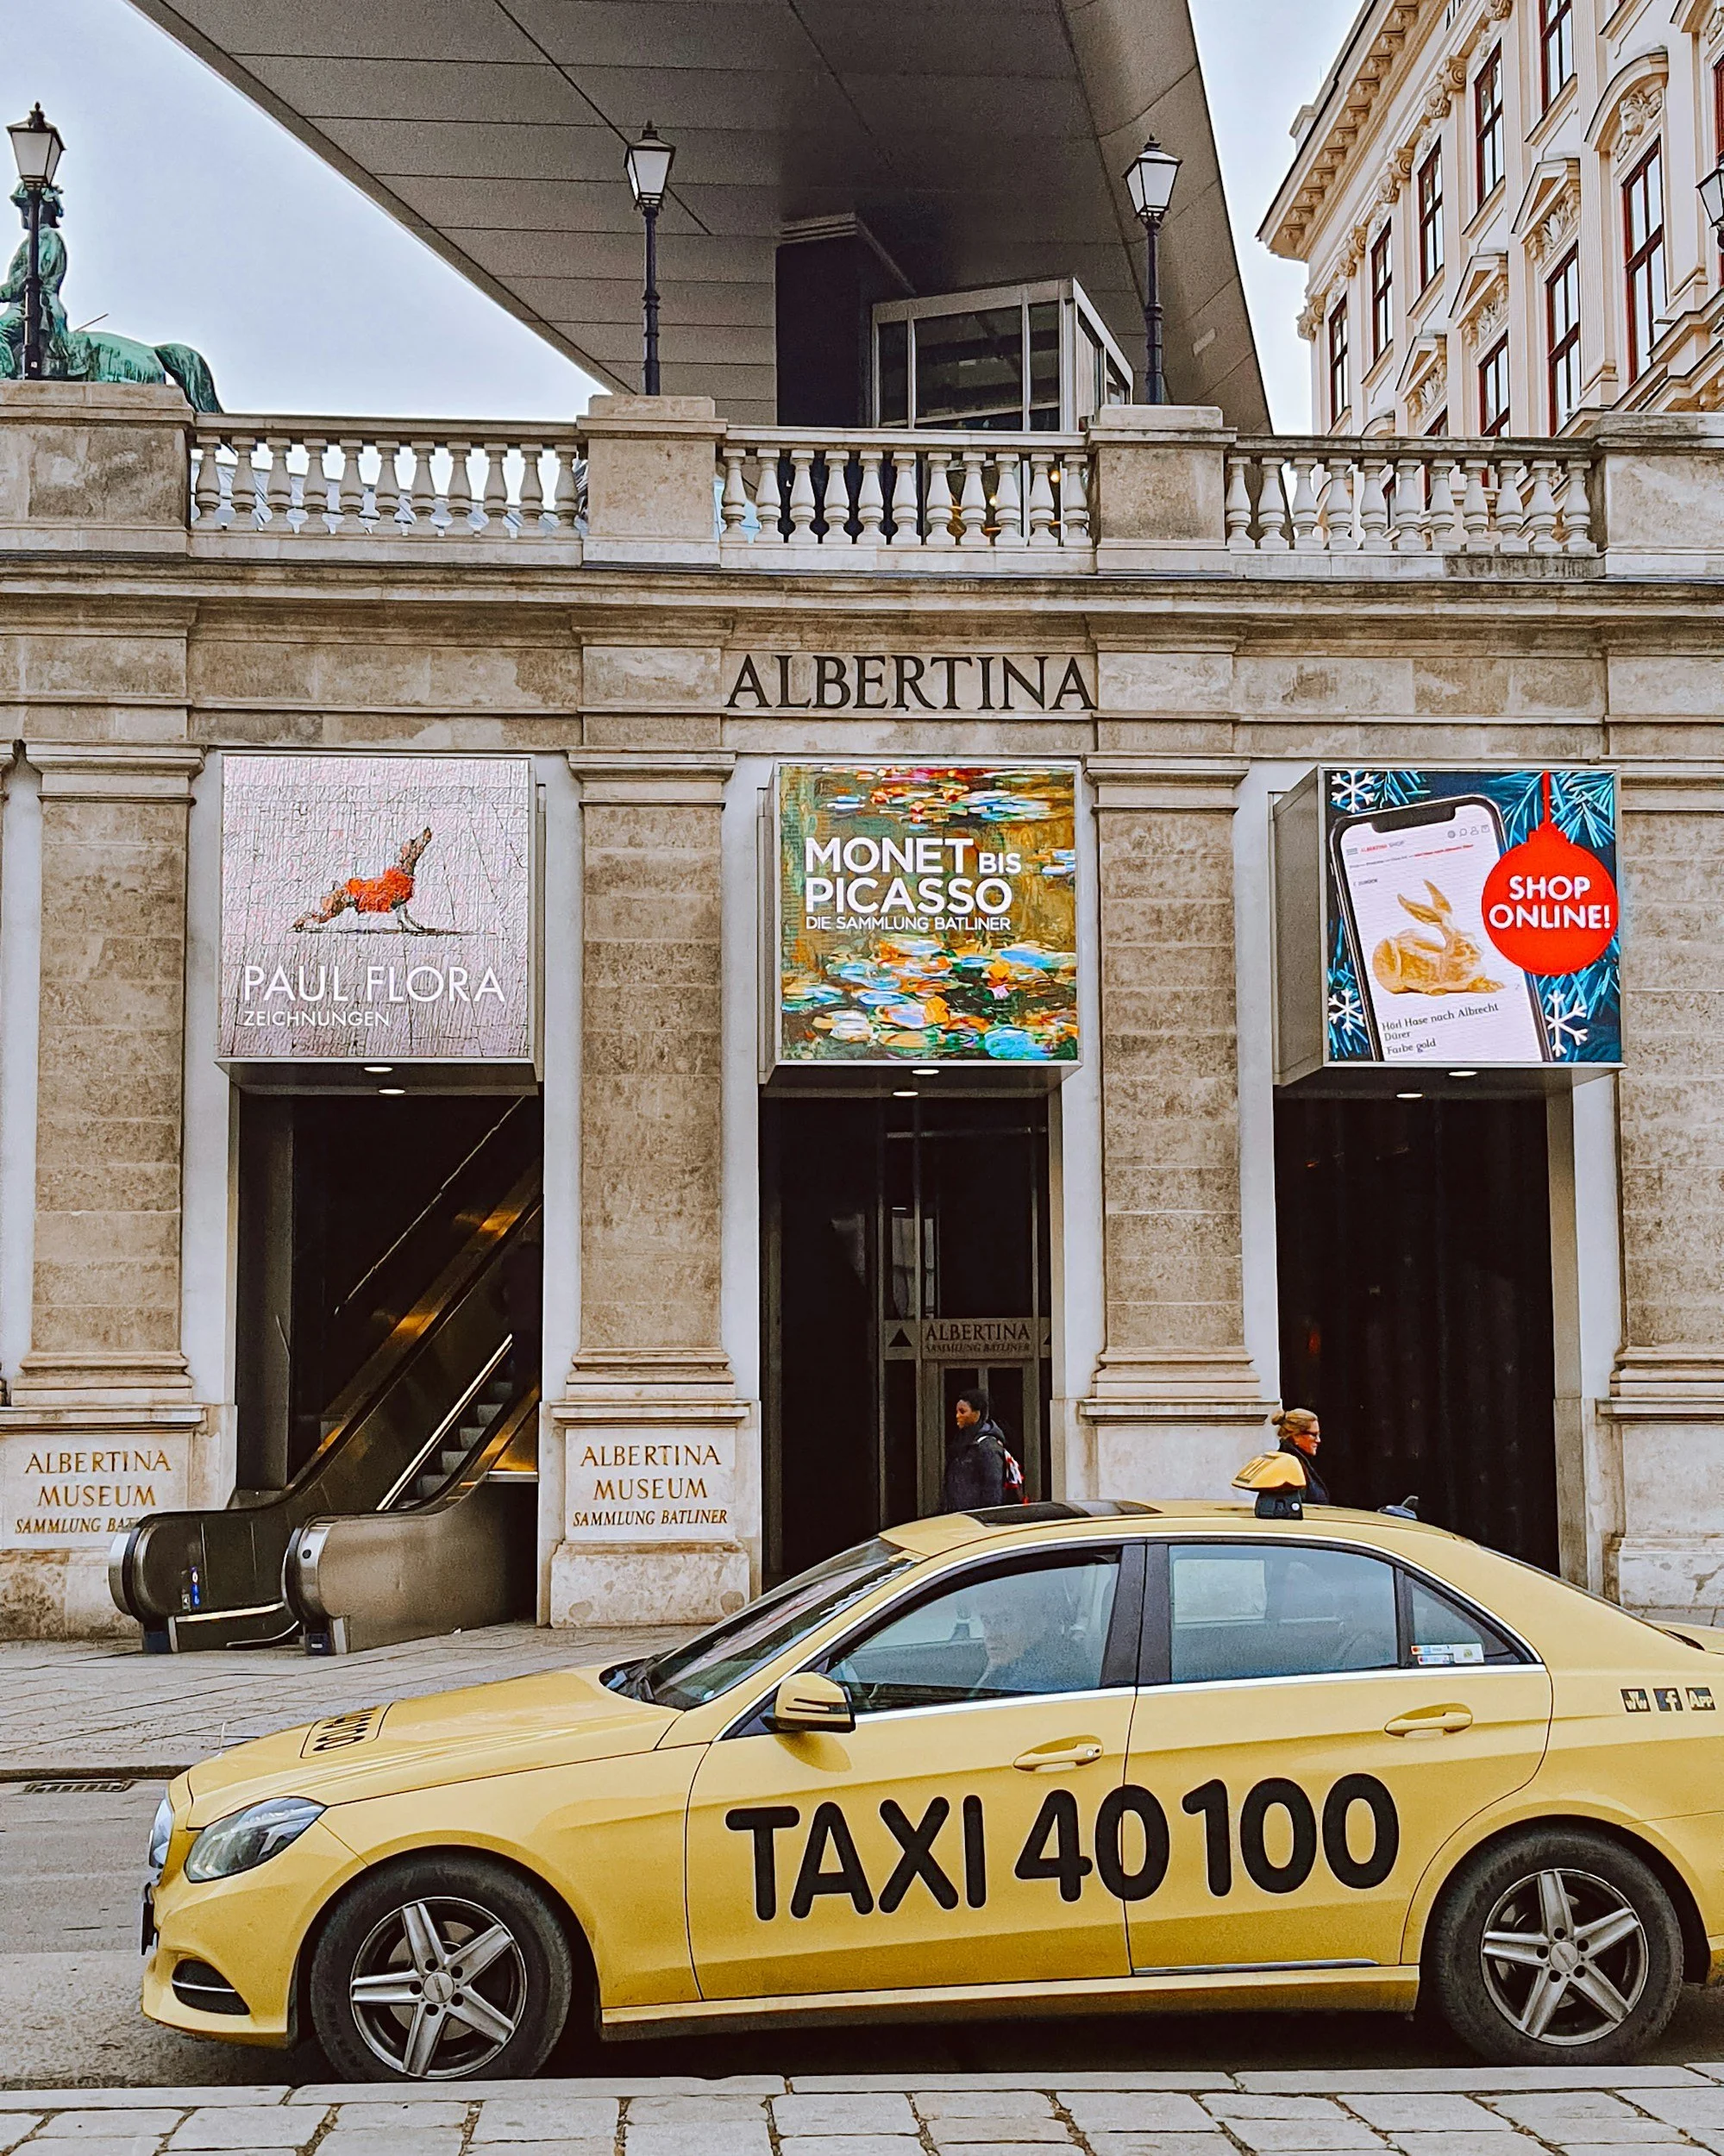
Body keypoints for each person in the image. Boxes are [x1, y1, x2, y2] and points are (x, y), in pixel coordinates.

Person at [940, 1388, 1011, 1512]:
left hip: (975, 1520)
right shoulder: (962, 1442)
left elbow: (993, 1491)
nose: (957, 1416)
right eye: (957, 1411)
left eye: (963, 1412)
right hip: (960, 1516)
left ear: (977, 1413)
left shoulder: (988, 1447)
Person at [1271, 1405, 1330, 1504]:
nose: (1318, 1440)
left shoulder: (1297, 1461)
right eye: (1313, 1435)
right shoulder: (1290, 1465)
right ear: (1296, 1436)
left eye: (1318, 1435)